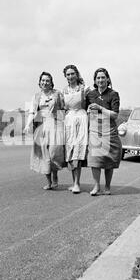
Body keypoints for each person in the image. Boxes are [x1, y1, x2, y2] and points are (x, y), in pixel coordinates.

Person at [24, 71, 65, 190]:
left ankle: (55, 176)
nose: (45, 83)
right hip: (41, 126)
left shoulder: (57, 94)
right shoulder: (36, 96)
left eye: (47, 80)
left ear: (51, 82)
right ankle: (49, 181)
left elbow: (63, 109)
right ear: (40, 82)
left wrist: (63, 124)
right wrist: (27, 125)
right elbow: (32, 112)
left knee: (53, 153)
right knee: (44, 156)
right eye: (43, 80)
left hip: (55, 125)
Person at [86, 68, 122, 196]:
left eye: (103, 77)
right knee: (95, 159)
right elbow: (85, 110)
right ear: (95, 80)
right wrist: (89, 110)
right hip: (95, 129)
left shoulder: (113, 94)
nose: (100, 80)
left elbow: (115, 115)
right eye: (98, 78)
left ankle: (107, 186)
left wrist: (100, 108)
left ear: (107, 79)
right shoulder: (90, 94)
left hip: (109, 130)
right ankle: (96, 186)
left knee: (108, 160)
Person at [62, 65, 88, 194]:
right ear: (65, 77)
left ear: (77, 74)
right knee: (70, 151)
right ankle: (74, 183)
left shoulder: (84, 89)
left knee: (78, 150)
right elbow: (63, 108)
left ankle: (77, 183)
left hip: (81, 119)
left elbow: (87, 105)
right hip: (69, 120)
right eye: (68, 74)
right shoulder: (64, 91)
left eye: (72, 74)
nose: (70, 77)